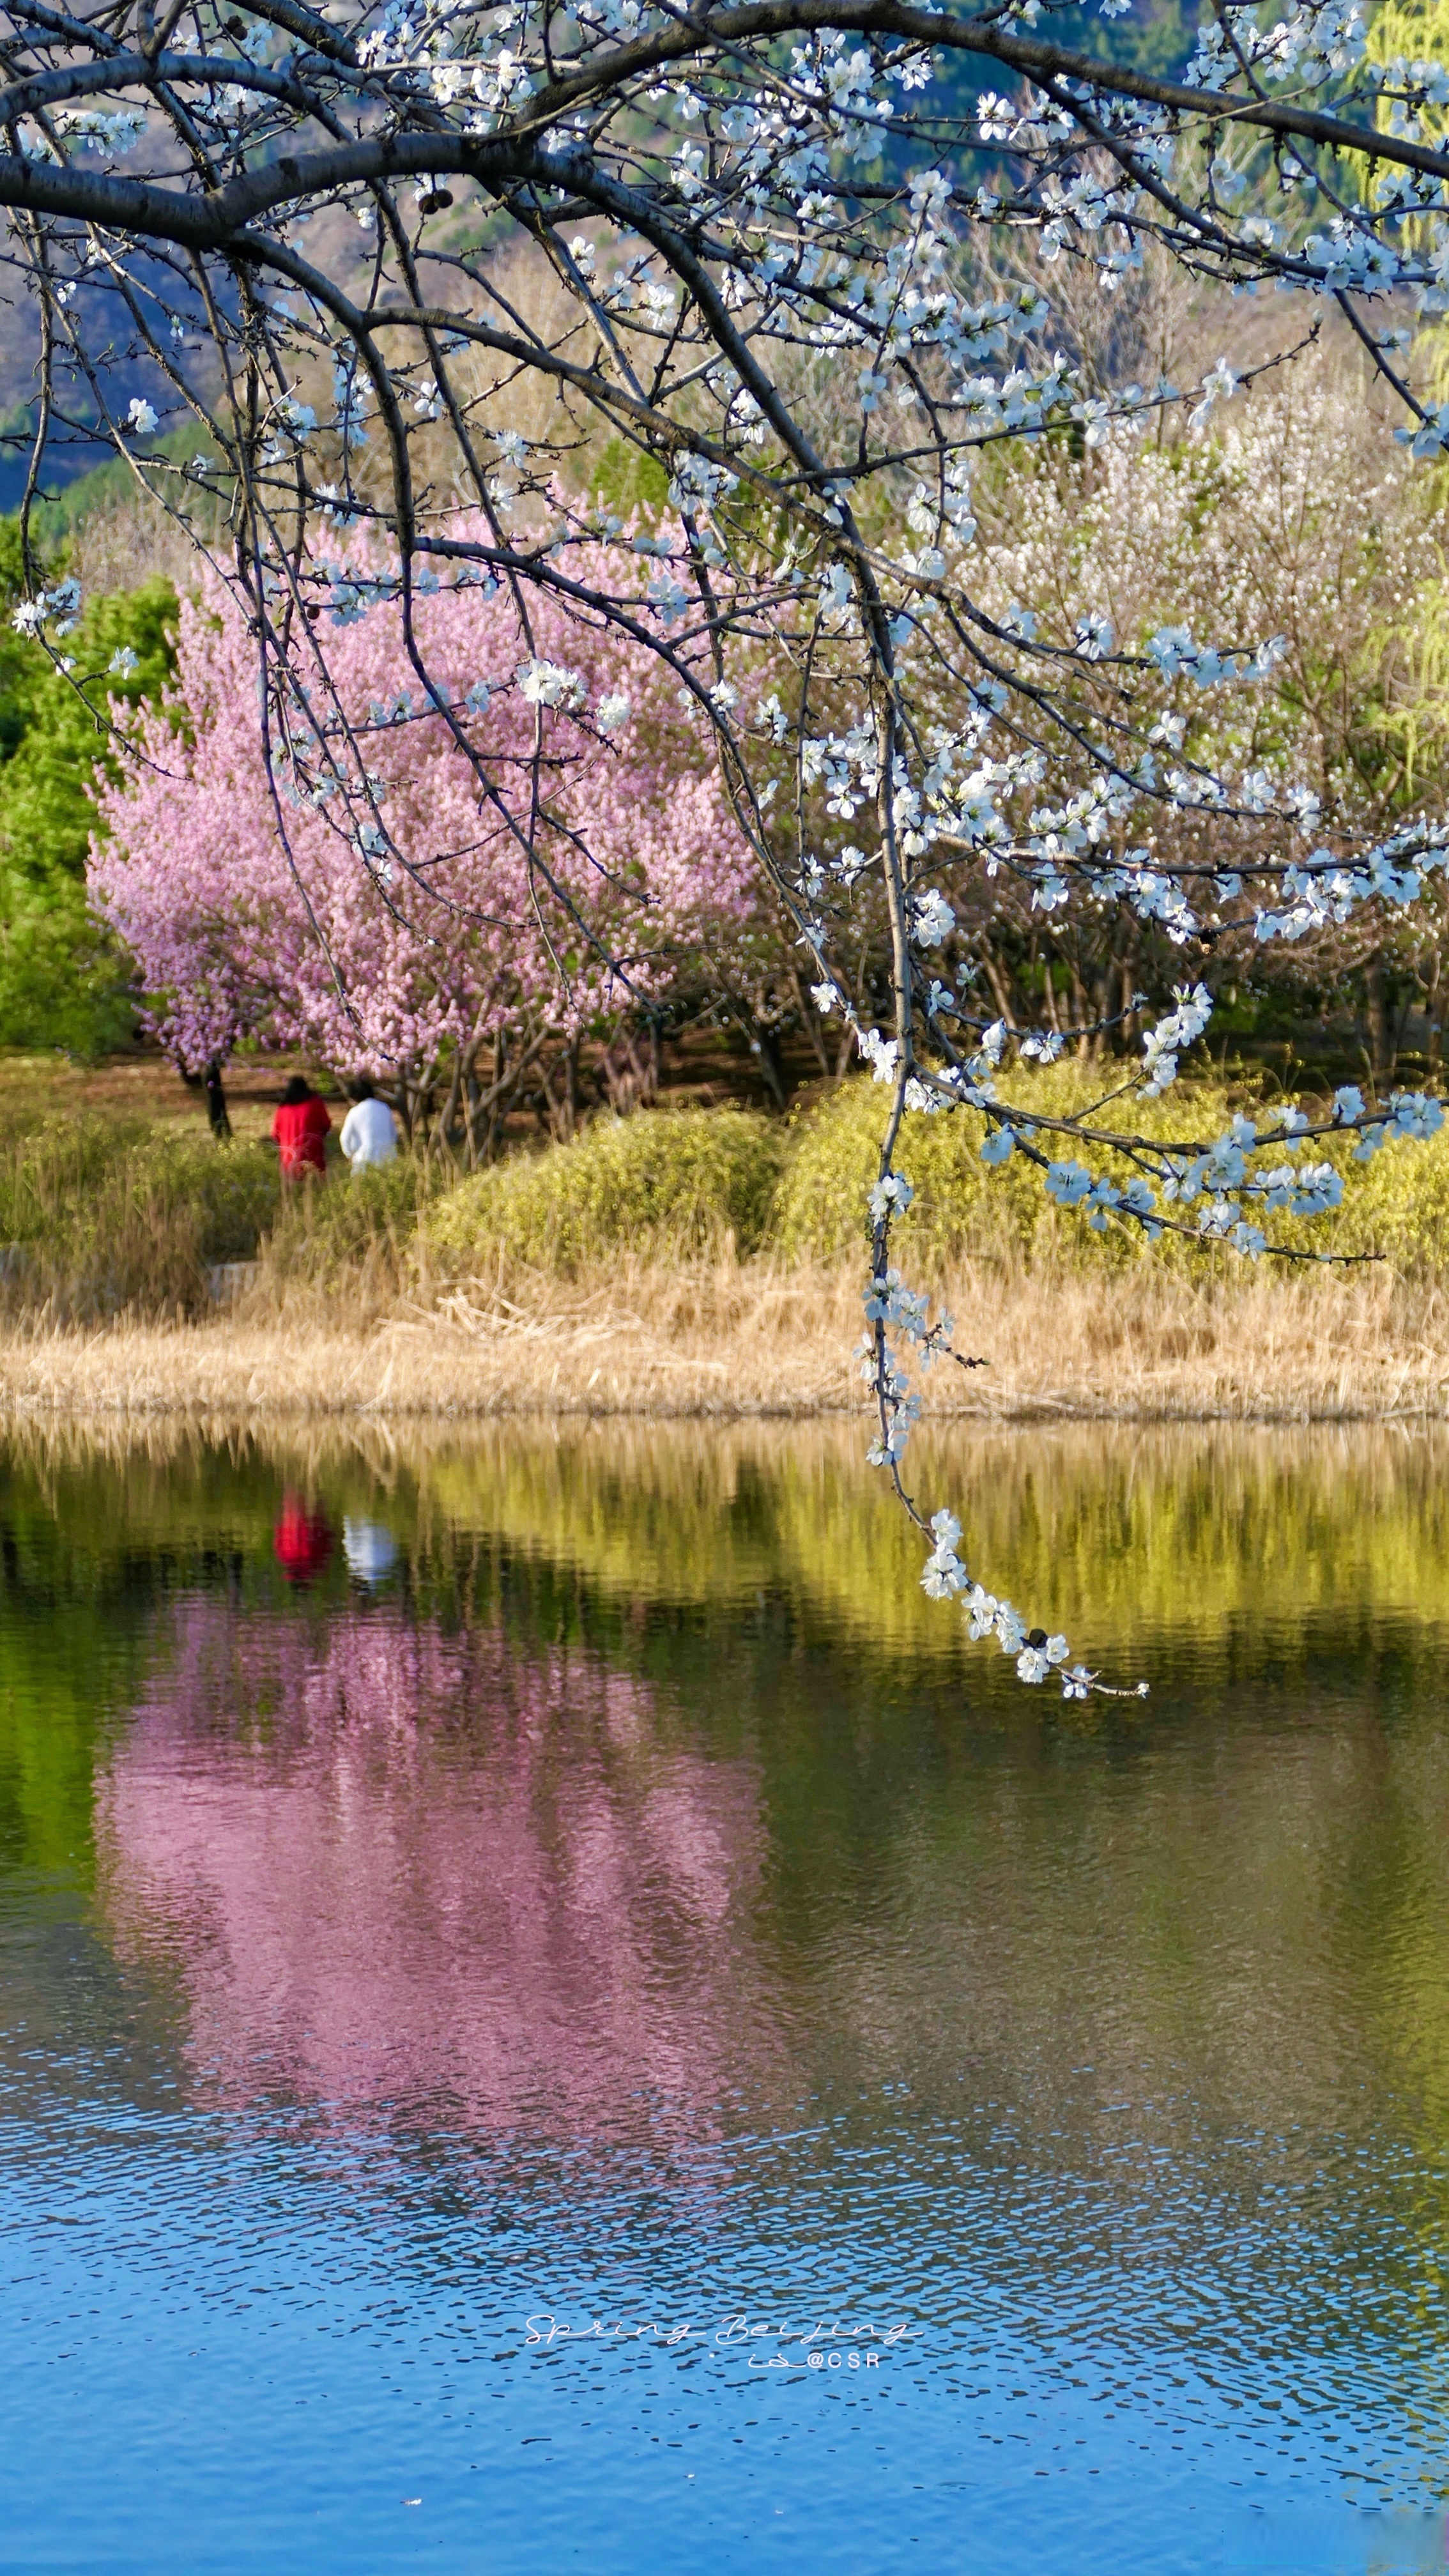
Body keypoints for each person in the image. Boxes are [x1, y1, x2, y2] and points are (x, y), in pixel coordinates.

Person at [271, 1074, 331, 1179]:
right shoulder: (315, 1103)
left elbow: (275, 1135)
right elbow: (326, 1126)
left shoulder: (283, 1109)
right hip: (313, 1157)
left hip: (289, 1160)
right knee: (315, 1185)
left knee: (292, 1187)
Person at [339, 1078, 398, 1172]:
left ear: (354, 1097)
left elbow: (344, 1138)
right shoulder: (385, 1108)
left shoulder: (354, 1112)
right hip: (388, 1158)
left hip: (364, 1160)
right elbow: (394, 1135)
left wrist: (349, 1155)